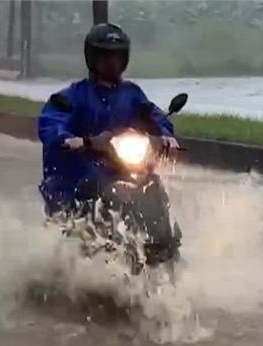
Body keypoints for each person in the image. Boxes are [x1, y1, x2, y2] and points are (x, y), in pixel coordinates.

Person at [37, 23, 180, 215]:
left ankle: (166, 241)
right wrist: (72, 140)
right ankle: (78, 233)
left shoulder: (132, 94)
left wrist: (165, 135)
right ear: (92, 58)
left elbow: (152, 114)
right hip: (81, 171)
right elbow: (51, 122)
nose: (112, 61)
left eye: (117, 56)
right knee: (88, 186)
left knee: (151, 184)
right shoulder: (72, 96)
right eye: (105, 56)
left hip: (122, 167)